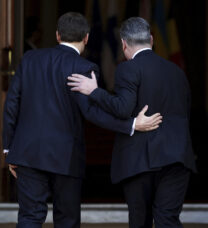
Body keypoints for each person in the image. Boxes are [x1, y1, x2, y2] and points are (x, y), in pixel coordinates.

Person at [2, 12, 162, 228]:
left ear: (58, 35)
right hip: (65, 156)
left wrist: (8, 148)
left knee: (29, 218)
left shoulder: (30, 59)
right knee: (67, 221)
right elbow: (93, 113)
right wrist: (132, 125)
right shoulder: (84, 67)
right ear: (86, 38)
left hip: (27, 152)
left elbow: (12, 103)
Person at [68, 17, 196, 228]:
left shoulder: (128, 68)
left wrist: (94, 91)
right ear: (152, 40)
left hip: (140, 160)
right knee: (168, 219)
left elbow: (122, 108)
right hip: (176, 157)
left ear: (124, 43)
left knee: (140, 221)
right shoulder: (177, 71)